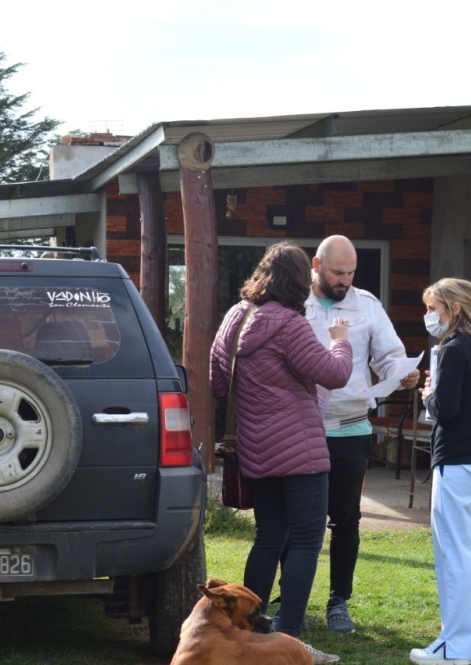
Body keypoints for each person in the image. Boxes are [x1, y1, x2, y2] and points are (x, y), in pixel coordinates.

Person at [210, 242, 353, 665]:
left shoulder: (236, 318)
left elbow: (220, 386)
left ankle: (248, 629)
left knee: (269, 537)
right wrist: (339, 341)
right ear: (297, 282)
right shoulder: (290, 324)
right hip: (301, 451)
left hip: (255, 449)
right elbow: (335, 374)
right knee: (307, 541)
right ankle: (289, 636)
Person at [284, 234, 419, 634]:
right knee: (295, 522)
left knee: (346, 519)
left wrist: (403, 373)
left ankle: (338, 602)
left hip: (350, 427)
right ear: (316, 265)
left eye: (351, 273)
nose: (344, 280)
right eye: (337, 272)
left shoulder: (367, 306)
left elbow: (390, 355)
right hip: (302, 428)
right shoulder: (292, 303)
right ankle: (290, 601)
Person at [411, 277, 471, 665]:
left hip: (456, 462)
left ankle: (454, 647)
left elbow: (445, 410)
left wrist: (429, 396)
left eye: (433, 308)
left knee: (454, 554)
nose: (429, 316)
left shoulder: (453, 348)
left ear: (455, 310)